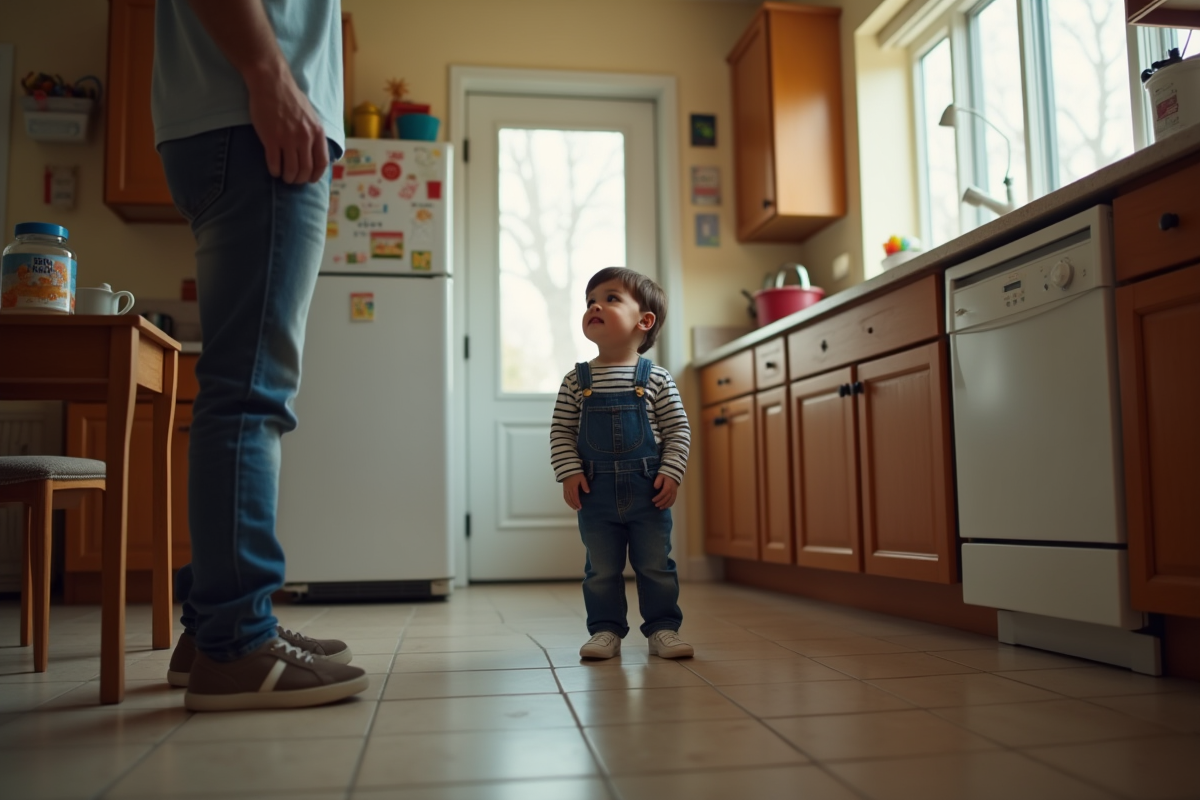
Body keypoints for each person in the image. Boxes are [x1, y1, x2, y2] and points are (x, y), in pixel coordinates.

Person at [151, 0, 367, 711]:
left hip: (233, 120)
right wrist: (269, 76)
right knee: (250, 393)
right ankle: (236, 642)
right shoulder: (257, 93)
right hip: (253, 119)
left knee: (244, 387)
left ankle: (213, 628)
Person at [551, 267, 694, 660]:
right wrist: (569, 471)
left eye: (611, 298)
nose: (595, 305)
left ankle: (663, 628)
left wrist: (670, 471)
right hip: (595, 493)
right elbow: (562, 431)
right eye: (590, 301)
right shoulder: (575, 381)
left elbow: (678, 430)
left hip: (649, 492)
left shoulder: (658, 378)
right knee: (601, 569)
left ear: (643, 321)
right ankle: (605, 631)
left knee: (655, 565)